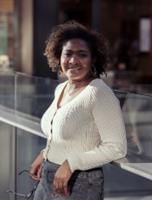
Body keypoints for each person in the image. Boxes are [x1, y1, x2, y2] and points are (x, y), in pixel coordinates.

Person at [30, 21, 127, 200]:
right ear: (59, 56)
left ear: (93, 59)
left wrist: (71, 164)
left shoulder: (99, 93)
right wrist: (46, 154)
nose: (73, 61)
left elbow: (117, 148)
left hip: (79, 183)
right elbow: (69, 135)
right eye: (68, 54)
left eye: (82, 55)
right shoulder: (62, 88)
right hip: (49, 175)